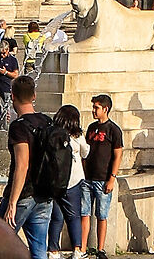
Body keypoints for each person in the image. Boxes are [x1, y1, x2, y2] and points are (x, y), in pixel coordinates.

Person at [0, 74, 57, 259]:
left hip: (23, 195)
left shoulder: (19, 127)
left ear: (13, 96)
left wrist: (12, 202)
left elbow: (22, 165)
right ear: (34, 96)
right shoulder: (47, 122)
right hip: (45, 194)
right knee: (39, 249)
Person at [81, 92, 122, 250]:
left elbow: (118, 155)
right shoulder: (91, 128)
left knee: (101, 215)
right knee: (85, 213)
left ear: (105, 109)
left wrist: (112, 178)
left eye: (96, 107)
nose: (93, 110)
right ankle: (83, 248)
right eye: (93, 107)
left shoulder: (113, 130)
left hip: (103, 179)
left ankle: (100, 248)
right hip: (88, 178)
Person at [45, 103, 87, 254]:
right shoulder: (78, 135)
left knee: (56, 217)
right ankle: (77, 249)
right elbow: (86, 152)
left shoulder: (53, 133)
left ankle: (53, 250)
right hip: (73, 180)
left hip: (56, 181)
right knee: (73, 216)